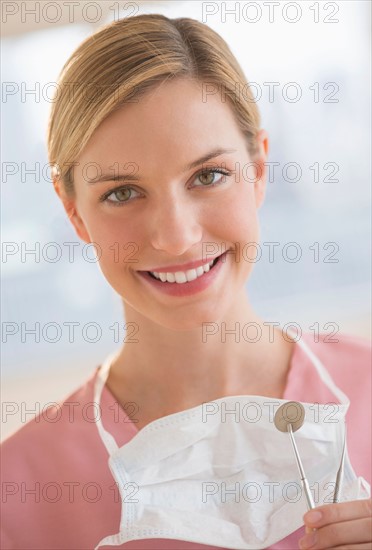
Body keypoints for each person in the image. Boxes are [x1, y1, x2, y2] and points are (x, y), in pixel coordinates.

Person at [1, 13, 371, 550]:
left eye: (208, 176)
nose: (176, 237)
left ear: (259, 169)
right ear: (74, 212)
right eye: (123, 192)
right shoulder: (19, 495)